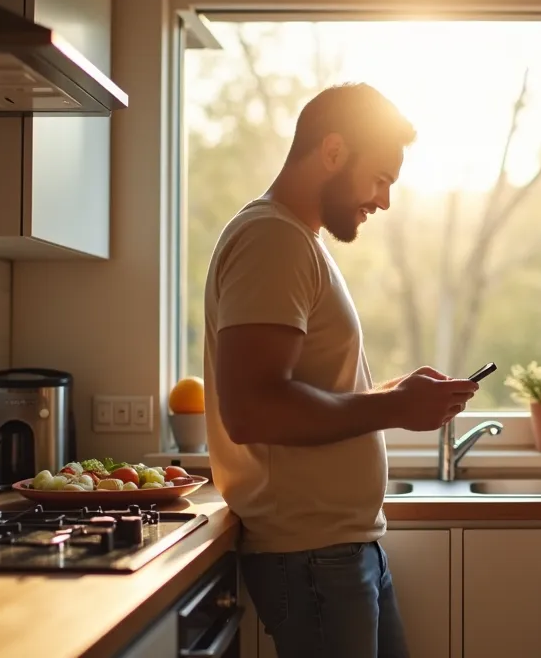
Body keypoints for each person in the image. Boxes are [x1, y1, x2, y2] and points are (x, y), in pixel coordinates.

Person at [203, 82, 480, 658]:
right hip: (312, 558)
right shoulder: (271, 239)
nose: (383, 200)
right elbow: (253, 409)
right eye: (379, 178)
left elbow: (303, 389)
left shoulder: (297, 239)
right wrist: (396, 408)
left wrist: (390, 392)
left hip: (336, 551)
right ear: (332, 152)